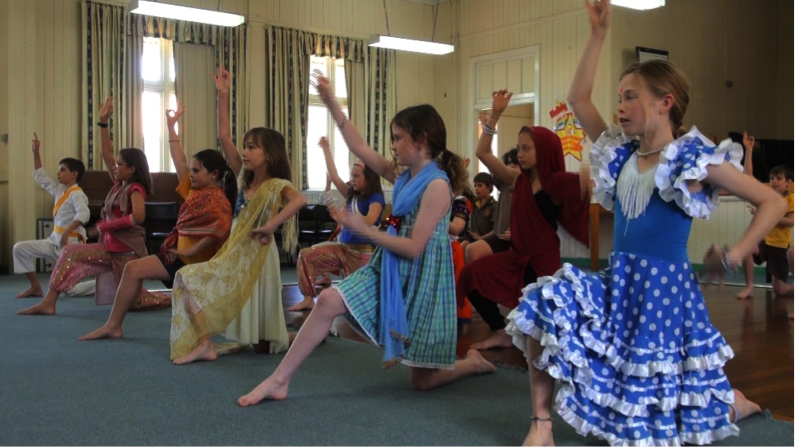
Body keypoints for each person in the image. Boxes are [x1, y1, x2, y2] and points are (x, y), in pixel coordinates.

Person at [506, 2, 773, 445]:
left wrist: (738, 252)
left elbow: (771, 202)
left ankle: (734, 402)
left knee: (662, 414)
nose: (621, 106)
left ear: (665, 103)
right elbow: (577, 100)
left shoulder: (694, 160)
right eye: (619, 97)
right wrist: (598, 35)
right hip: (620, 282)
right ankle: (541, 424)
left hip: (663, 297)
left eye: (631, 96)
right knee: (545, 300)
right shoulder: (621, 152)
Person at [237, 72, 496, 407]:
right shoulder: (403, 175)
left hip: (422, 277)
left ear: (422, 140)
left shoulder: (437, 186)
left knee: (422, 381)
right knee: (329, 300)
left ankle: (472, 363)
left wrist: (365, 230)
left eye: (398, 137)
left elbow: (415, 247)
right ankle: (278, 380)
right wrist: (331, 103)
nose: (392, 144)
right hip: (388, 266)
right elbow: (358, 145)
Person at [166, 66, 306, 365]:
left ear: (268, 154)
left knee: (265, 344)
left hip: (257, 256)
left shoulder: (275, 185)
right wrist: (223, 94)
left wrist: (270, 225)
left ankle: (312, 333)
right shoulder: (243, 177)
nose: (244, 151)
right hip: (236, 250)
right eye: (244, 146)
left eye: (251, 147)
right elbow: (223, 134)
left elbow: (299, 200)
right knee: (185, 278)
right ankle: (205, 343)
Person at [78, 104, 235, 341]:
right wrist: (172, 128)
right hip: (180, 257)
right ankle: (113, 325)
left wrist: (191, 249)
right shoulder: (194, 192)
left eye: (196, 170)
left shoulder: (219, 201)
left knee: (191, 306)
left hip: (199, 263)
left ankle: (205, 336)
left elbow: (218, 231)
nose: (190, 174)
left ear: (214, 174)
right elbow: (179, 159)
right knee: (134, 269)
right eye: (191, 170)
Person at [456, 89, 590, 351]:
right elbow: (483, 152)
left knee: (548, 328)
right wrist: (494, 116)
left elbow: (588, 186)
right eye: (519, 148)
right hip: (516, 257)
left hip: (543, 262)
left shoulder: (556, 183)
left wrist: (586, 173)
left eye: (526, 148)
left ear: (545, 151)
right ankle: (499, 331)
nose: (520, 153)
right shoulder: (517, 179)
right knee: (471, 275)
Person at [18, 97, 168, 315]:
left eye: (120, 165)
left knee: (136, 302)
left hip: (127, 253)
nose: (115, 167)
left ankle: (172, 297)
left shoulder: (136, 189)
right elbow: (106, 154)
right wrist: (103, 123)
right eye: (116, 164)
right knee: (69, 252)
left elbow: (139, 217)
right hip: (108, 250)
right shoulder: (119, 184)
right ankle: (49, 302)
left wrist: (107, 226)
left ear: (132, 169)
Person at [289, 137, 385, 312]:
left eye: (356, 176)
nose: (352, 179)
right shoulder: (351, 194)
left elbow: (371, 219)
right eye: (351, 176)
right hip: (342, 249)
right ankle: (308, 298)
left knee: (359, 300)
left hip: (362, 254)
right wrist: (326, 149)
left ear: (369, 179)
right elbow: (334, 176)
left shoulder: (376, 198)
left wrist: (343, 220)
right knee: (306, 255)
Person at [13, 133, 91, 298]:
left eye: (62, 170)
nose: (58, 173)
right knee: (19, 249)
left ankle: (105, 285)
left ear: (74, 174)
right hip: (54, 241)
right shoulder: (60, 190)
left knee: (69, 290)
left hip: (70, 244)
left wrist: (68, 231)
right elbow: (42, 177)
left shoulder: (77, 194)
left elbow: (84, 213)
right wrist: (36, 152)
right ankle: (35, 287)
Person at [735, 132, 795, 298]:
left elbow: (791, 222)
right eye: (772, 178)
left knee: (780, 291)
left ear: (788, 183)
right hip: (764, 242)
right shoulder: (767, 194)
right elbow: (748, 178)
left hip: (780, 247)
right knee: (746, 249)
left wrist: (767, 215)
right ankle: (749, 288)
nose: (774, 181)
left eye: (778, 179)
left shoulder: (791, 199)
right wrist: (749, 150)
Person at [464, 149, 519, 264]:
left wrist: (518, 232)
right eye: (508, 163)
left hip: (517, 240)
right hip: (500, 238)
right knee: (471, 250)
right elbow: (491, 165)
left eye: (516, 163)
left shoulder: (530, 187)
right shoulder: (505, 185)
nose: (512, 166)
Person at [461, 172, 496, 252]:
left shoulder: (495, 205)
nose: (476, 188)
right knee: (461, 247)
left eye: (480, 185)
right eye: (475, 185)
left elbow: (496, 230)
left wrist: (481, 238)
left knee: (472, 249)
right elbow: (465, 188)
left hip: (487, 240)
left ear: (489, 187)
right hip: (472, 238)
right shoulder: (474, 202)